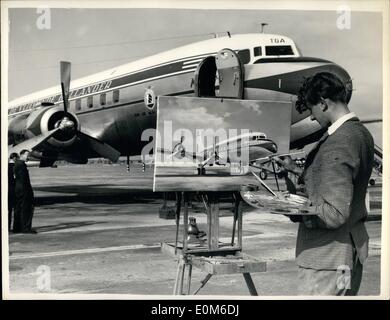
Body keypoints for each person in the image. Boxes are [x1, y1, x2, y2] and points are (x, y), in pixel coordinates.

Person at [277, 72, 374, 295]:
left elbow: (334, 213)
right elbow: (338, 180)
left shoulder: (338, 142)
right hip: (347, 255)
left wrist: (291, 207)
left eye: (312, 109)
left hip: (326, 262)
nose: (312, 118)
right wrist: (296, 171)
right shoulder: (360, 133)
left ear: (323, 103)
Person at [13, 149, 36, 234]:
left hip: (18, 189)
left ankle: (17, 228)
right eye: (27, 155)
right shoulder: (21, 165)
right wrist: (29, 192)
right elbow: (24, 180)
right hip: (24, 190)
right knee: (26, 209)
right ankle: (26, 228)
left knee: (18, 209)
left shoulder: (17, 164)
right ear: (22, 155)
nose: (28, 157)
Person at [8, 153, 19, 232]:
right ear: (15, 158)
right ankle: (16, 227)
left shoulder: (5, 166)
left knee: (8, 210)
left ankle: (7, 227)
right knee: (16, 210)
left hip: (7, 191)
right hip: (14, 190)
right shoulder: (15, 167)